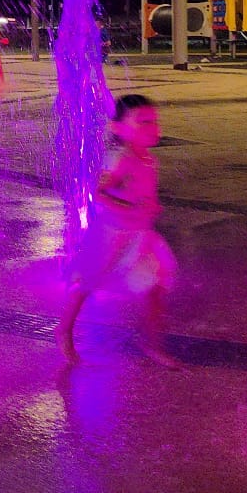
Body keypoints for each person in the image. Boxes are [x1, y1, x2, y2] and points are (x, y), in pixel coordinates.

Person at [57, 94, 179, 368]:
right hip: (111, 236)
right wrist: (130, 206)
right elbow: (96, 193)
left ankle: (151, 342)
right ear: (119, 128)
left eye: (154, 121)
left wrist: (151, 206)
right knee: (86, 285)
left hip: (139, 236)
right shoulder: (120, 160)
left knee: (155, 285)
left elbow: (144, 194)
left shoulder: (149, 160)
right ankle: (64, 331)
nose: (152, 127)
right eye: (143, 122)